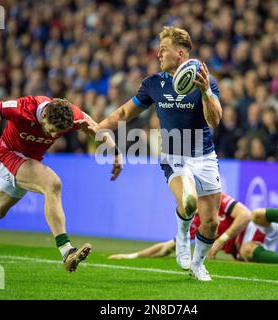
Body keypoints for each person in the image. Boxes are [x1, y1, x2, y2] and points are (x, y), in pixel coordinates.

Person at [84, 26, 223, 281]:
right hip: (173, 154)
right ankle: (182, 236)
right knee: (188, 201)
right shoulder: (153, 84)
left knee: (211, 221)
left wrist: (206, 92)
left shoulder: (204, 80)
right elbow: (125, 113)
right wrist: (98, 126)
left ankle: (198, 264)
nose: (158, 55)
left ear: (180, 53)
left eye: (163, 50)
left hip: (204, 155)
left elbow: (214, 120)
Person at [0, 95, 123, 277]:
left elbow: (98, 129)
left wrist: (115, 153)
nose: (53, 136)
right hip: (7, 155)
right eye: (52, 130)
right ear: (43, 116)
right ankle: (66, 250)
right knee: (52, 184)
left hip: (28, 162)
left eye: (58, 132)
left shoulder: (72, 115)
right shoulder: (21, 108)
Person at [108, 193, 278, 266]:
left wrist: (221, 239)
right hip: (249, 247)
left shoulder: (218, 199)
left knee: (256, 213)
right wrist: (131, 255)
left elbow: (244, 216)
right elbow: (165, 248)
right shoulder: (195, 225)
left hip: (258, 230)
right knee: (245, 251)